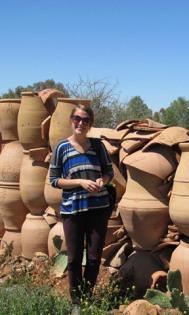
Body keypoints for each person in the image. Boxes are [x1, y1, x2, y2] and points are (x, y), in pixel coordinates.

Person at [50, 104, 114, 314]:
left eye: (85, 120)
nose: (81, 123)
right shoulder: (62, 148)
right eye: (77, 119)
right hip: (73, 210)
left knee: (94, 258)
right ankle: (76, 302)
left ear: (90, 124)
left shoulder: (98, 146)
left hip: (98, 208)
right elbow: (54, 180)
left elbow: (109, 172)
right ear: (71, 120)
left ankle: (88, 296)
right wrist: (80, 182)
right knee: (74, 257)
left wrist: (101, 181)